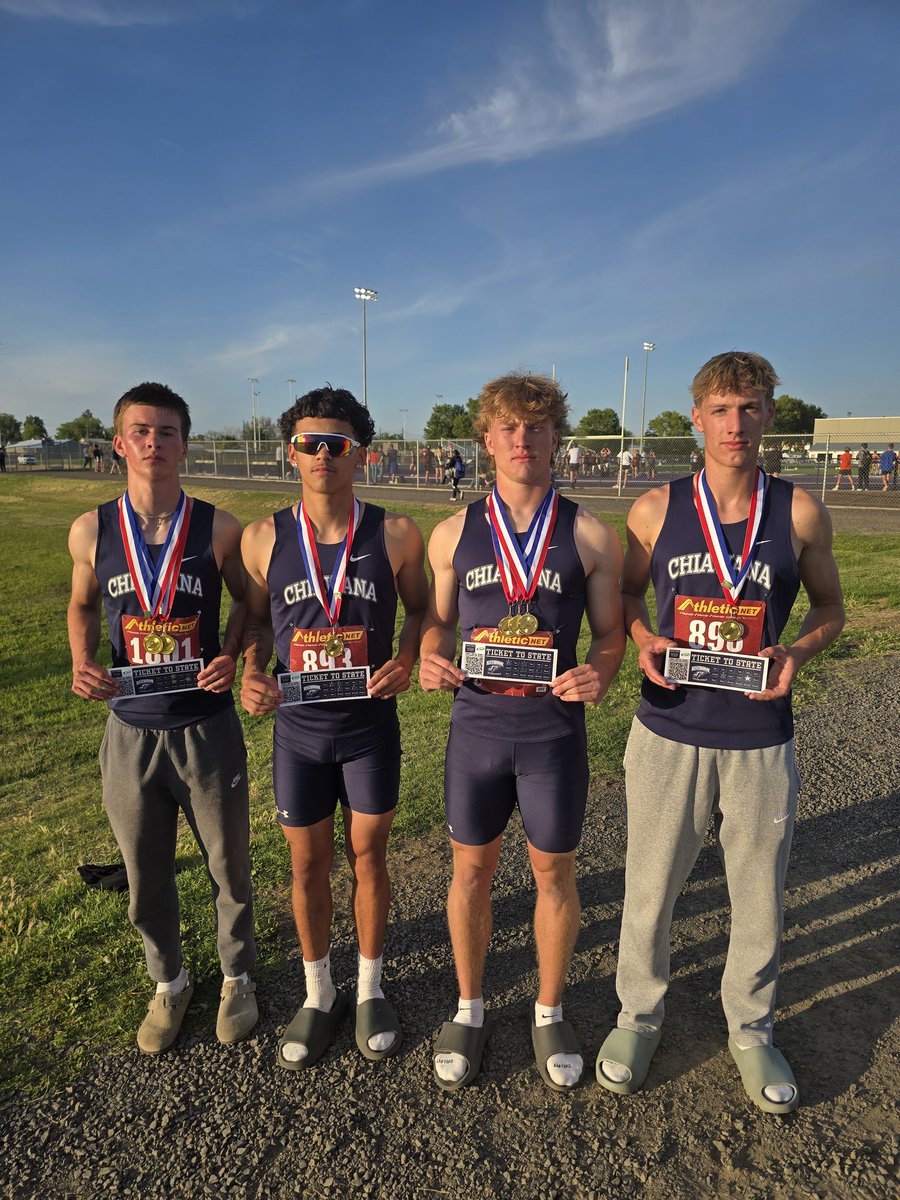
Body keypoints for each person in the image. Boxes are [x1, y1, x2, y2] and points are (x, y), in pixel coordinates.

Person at [596, 351, 844, 1115]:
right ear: (696, 416)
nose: (736, 424)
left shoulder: (799, 511)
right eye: (722, 409)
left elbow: (830, 611)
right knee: (650, 885)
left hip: (760, 732)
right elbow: (627, 598)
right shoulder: (654, 508)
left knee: (759, 894)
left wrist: (797, 651)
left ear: (770, 414)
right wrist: (641, 641)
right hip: (668, 728)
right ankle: (637, 1015)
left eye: (751, 407)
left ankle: (751, 1027)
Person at [419, 372, 625, 1093]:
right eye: (508, 426)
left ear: (554, 437)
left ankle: (548, 1009)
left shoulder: (590, 531)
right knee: (470, 872)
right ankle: (469, 1008)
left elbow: (610, 635)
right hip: (476, 729)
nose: (521, 439)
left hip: (551, 735)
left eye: (536, 426)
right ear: (486, 438)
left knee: (553, 875)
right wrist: (427, 654)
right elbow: (438, 621)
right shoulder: (452, 532)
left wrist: (602, 670)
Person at [240, 385, 428, 1071]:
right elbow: (257, 623)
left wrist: (408, 659)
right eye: (309, 444)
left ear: (361, 455)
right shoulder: (264, 537)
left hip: (369, 726)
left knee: (369, 858)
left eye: (337, 445)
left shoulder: (396, 533)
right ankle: (320, 993)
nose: (323, 455)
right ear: (291, 453)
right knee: (307, 862)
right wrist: (251, 671)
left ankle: (372, 989)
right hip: (298, 732)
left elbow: (422, 613)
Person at [67, 382, 257, 1055]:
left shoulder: (219, 527)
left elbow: (249, 604)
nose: (155, 443)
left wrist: (234, 655)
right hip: (129, 726)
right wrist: (79, 659)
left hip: (206, 723)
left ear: (184, 443)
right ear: (119, 443)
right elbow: (84, 605)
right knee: (144, 869)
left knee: (228, 863)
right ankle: (169, 980)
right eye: (141, 431)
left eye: (168, 431)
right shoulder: (91, 529)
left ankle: (238, 977)